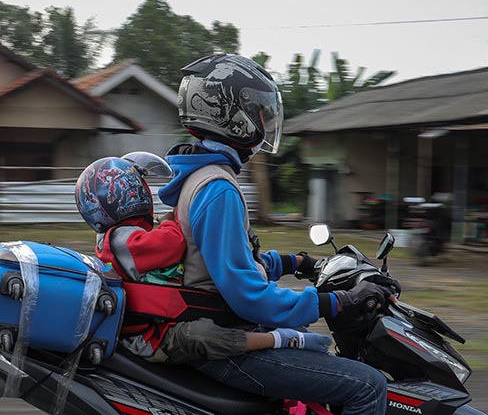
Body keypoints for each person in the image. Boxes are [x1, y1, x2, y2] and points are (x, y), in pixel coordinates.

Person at [159, 54, 413, 415]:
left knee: (318, 351)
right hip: (228, 341)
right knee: (367, 385)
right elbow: (246, 296)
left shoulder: (196, 177)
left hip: (207, 328)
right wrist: (332, 301)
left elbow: (228, 264)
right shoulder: (220, 189)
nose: (263, 125)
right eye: (257, 113)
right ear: (228, 114)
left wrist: (294, 261)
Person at [74, 154, 331, 364]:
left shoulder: (125, 235)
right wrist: (175, 220)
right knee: (205, 336)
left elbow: (232, 259)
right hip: (150, 336)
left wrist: (295, 261)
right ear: (126, 196)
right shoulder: (122, 240)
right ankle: (281, 339)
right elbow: (173, 244)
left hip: (163, 320)